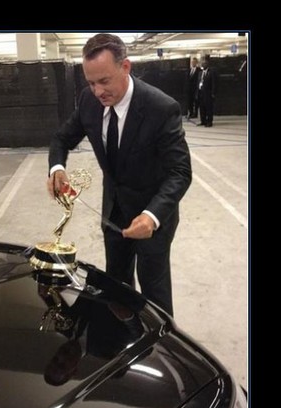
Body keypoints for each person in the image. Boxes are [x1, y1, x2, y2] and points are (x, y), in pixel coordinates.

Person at [47, 34, 192, 316]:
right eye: (91, 83)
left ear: (125, 67)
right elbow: (61, 139)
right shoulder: (88, 101)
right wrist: (57, 168)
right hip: (113, 213)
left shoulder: (161, 108)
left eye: (104, 81)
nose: (98, 91)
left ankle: (160, 341)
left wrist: (151, 216)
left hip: (152, 216)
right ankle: (122, 335)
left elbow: (180, 171)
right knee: (116, 284)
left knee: (154, 291)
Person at [197, 55, 218, 127]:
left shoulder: (211, 72)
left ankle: (209, 121)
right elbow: (198, 83)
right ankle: (203, 121)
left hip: (208, 93)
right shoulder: (200, 73)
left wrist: (213, 93)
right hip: (201, 93)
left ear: (207, 64)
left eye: (204, 63)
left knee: (209, 108)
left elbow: (214, 83)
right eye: (202, 63)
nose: (203, 65)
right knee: (202, 108)